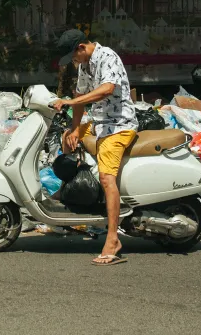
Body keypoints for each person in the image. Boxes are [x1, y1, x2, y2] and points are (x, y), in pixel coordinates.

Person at [51, 29, 137, 266]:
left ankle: (113, 239)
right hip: (99, 122)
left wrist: (71, 102)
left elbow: (107, 89)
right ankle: (68, 190)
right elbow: (80, 94)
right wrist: (75, 129)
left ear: (80, 48)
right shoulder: (85, 65)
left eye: (73, 57)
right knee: (66, 138)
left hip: (119, 124)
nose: (74, 62)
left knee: (107, 178)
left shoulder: (108, 57)